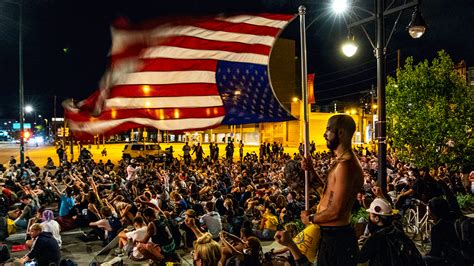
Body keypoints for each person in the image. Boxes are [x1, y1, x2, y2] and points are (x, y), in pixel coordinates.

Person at [302, 114, 364, 266]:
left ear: (341, 133)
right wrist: (311, 171)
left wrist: (310, 219)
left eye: (329, 130)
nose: (324, 134)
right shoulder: (341, 161)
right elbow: (329, 192)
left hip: (337, 240)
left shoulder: (346, 165)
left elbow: (336, 210)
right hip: (332, 237)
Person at [358, 198, 424, 266]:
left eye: (371, 215)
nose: (369, 217)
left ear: (376, 218)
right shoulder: (397, 229)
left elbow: (360, 258)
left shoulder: (375, 238)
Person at [423, 197, 468, 266]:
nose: (428, 213)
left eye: (428, 210)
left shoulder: (438, 227)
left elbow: (435, 252)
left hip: (452, 260)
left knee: (424, 259)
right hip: (467, 256)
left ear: (434, 211)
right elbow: (452, 199)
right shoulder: (455, 216)